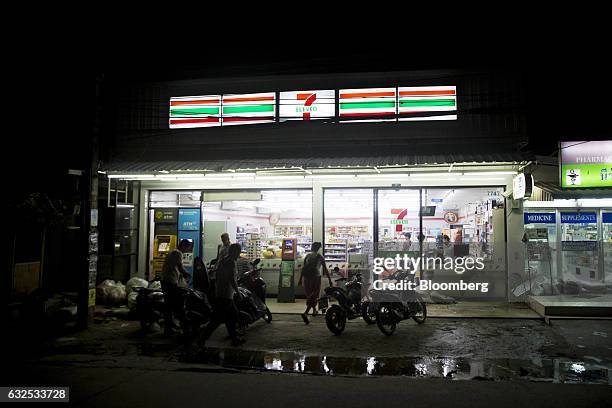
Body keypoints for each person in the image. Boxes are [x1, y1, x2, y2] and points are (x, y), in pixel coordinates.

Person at [199, 243, 245, 346]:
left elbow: (218, 275)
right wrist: (237, 291)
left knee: (232, 316)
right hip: (226, 294)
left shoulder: (223, 260)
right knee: (217, 319)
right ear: (235, 252)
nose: (239, 254)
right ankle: (202, 338)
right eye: (238, 251)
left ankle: (234, 339)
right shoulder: (231, 262)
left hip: (222, 292)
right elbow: (232, 278)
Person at [161, 239, 192, 335]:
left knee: (168, 305)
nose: (188, 250)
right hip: (170, 282)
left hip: (165, 280)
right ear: (184, 246)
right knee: (175, 305)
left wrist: (182, 274)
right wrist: (187, 274)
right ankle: (170, 328)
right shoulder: (178, 253)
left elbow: (173, 267)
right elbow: (180, 267)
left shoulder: (172, 251)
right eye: (188, 248)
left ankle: (169, 326)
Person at [298, 242, 332, 324]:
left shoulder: (307, 256)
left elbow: (303, 268)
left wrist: (300, 279)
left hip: (306, 278)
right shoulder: (320, 257)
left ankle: (314, 310)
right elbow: (325, 269)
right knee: (314, 294)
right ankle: (306, 312)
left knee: (310, 294)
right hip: (316, 277)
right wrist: (330, 280)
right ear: (318, 248)